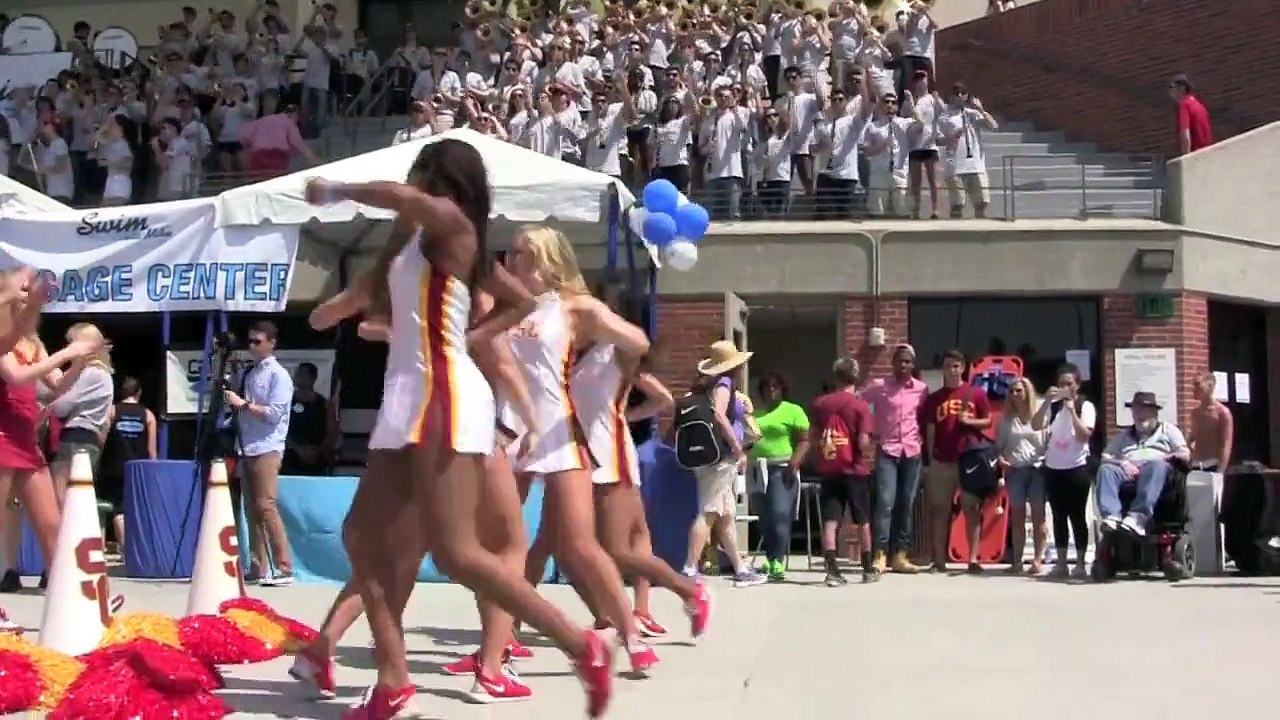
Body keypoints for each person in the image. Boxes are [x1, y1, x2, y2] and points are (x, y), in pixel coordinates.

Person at [303, 140, 614, 719]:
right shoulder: (410, 239)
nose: (410, 184)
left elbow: (516, 299)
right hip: (407, 400)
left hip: (445, 398)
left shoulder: (455, 224)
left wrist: (337, 190)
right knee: (363, 540)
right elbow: (369, 290)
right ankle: (393, 682)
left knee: (457, 552)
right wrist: (332, 311)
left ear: (436, 178)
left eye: (417, 176)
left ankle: (582, 644)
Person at [500, 225, 660, 674]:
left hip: (558, 429)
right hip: (509, 430)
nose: (509, 261)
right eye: (509, 253)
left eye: (518, 254)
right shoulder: (507, 304)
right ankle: (499, 647)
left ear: (545, 259)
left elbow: (639, 341)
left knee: (579, 545)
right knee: (504, 547)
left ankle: (630, 633)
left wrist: (608, 340)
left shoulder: (574, 306)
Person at [570, 279, 713, 640]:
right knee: (620, 543)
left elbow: (663, 398)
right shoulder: (586, 351)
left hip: (607, 456)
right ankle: (624, 614)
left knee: (616, 548)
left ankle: (688, 592)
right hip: (598, 452)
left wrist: (620, 419)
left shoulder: (616, 349)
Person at [0, 271, 101, 600]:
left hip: (25, 440)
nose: (28, 295)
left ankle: (71, 601)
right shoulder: (3, 338)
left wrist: (78, 362)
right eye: (23, 289)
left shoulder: (33, 341)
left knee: (52, 524)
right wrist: (65, 354)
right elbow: (16, 377)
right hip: (1, 437)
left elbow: (56, 386)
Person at [682, 340, 767, 586]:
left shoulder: (711, 384)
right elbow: (719, 414)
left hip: (715, 458)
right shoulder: (724, 383)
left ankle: (740, 568)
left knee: (727, 514)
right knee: (709, 512)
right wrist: (736, 445)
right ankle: (689, 568)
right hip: (720, 458)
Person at [225, 320, 295, 586]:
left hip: (268, 446)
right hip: (247, 446)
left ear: (271, 343)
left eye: (258, 341)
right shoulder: (251, 374)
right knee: (250, 509)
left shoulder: (279, 375)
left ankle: (284, 568)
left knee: (265, 505)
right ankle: (258, 567)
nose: (252, 346)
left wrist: (242, 404)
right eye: (250, 341)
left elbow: (275, 414)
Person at [807, 356, 877, 585]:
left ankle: (832, 570)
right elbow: (863, 441)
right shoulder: (860, 406)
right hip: (854, 469)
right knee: (862, 519)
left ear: (835, 376)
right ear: (855, 377)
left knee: (831, 519)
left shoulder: (820, 404)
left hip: (829, 469)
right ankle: (868, 569)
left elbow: (813, 436)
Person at [920, 349, 991, 573]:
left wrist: (969, 419)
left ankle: (973, 559)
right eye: (947, 366)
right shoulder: (934, 398)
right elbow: (930, 430)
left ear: (962, 367)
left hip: (969, 459)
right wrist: (930, 459)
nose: (951, 370)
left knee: (971, 508)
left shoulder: (976, 393)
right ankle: (939, 560)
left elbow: (987, 421)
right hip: (942, 460)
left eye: (955, 366)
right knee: (939, 510)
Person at [861, 344, 928, 573]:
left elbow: (923, 417)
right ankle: (880, 554)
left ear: (913, 364)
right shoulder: (880, 386)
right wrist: (870, 428)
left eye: (908, 361)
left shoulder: (921, 389)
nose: (904, 365)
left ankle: (900, 554)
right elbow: (860, 403)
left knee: (906, 504)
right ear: (893, 363)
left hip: (912, 450)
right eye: (900, 361)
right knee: (885, 503)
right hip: (887, 450)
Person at [1032, 362, 1096, 579]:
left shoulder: (1085, 406)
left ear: (1077, 385)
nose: (1065, 388)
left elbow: (1083, 435)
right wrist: (1046, 402)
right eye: (1061, 384)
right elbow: (1035, 424)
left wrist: (1072, 411)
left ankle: (1079, 562)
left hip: (1077, 468)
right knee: (1058, 516)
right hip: (1054, 467)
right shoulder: (1054, 406)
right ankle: (1061, 563)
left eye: (1069, 384)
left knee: (1077, 516)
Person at [1096, 392, 1190, 535]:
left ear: (1154, 413)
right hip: (1130, 472)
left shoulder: (1168, 430)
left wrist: (1164, 458)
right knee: (1106, 469)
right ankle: (1111, 516)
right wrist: (1123, 463)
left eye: (1143, 410)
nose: (1139, 414)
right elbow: (1105, 456)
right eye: (1135, 410)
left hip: (1158, 472)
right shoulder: (1124, 435)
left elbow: (1185, 454)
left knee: (1155, 466)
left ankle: (1138, 516)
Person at [45, 323, 115, 508]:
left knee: (62, 497)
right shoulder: (105, 375)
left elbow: (61, 407)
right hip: (91, 438)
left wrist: (50, 403)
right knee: (79, 495)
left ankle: (62, 536)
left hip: (75, 437)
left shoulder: (90, 374)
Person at [750, 371, 810, 582]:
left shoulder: (793, 411)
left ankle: (778, 560)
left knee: (780, 514)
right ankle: (769, 557)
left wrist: (795, 460)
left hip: (782, 467)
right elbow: (748, 440)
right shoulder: (756, 414)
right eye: (767, 388)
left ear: (783, 390)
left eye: (775, 387)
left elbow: (804, 440)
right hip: (757, 468)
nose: (771, 391)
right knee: (763, 516)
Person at [100, 376, 157, 558]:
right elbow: (152, 450)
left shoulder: (112, 411)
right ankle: (133, 547)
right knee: (135, 506)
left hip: (114, 466)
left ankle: (125, 547)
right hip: (138, 468)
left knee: (118, 507)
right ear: (139, 393)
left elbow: (102, 439)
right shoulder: (148, 415)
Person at [996, 377, 1047, 575]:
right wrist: (1001, 459)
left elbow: (1048, 440)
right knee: (1017, 516)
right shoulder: (1006, 419)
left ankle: (1037, 559)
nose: (1015, 394)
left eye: (1019, 390)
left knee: (1038, 515)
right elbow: (998, 446)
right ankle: (1016, 561)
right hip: (1015, 469)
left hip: (1037, 469)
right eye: (1012, 391)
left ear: (1027, 392)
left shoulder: (1039, 414)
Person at [281, 362, 337, 476]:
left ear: (313, 378)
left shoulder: (324, 404)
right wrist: (298, 449)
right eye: (297, 374)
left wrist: (316, 452)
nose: (297, 377)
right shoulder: (287, 402)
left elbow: (331, 433)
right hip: (290, 460)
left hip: (316, 461)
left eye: (302, 374)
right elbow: (279, 429)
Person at [1187, 371, 1233, 472]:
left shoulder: (1222, 412)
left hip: (1213, 464)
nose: (1194, 389)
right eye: (1193, 385)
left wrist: (1221, 471)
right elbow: (1192, 437)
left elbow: (1226, 444)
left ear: (1210, 386)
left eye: (1198, 385)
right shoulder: (1195, 412)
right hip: (1196, 464)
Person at [1168, 74, 1212, 156]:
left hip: (1195, 154)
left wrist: (1186, 157)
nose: (1170, 91)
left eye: (1171, 87)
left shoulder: (1184, 105)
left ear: (1182, 88)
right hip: (1207, 152)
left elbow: (1185, 131)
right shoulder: (1199, 105)